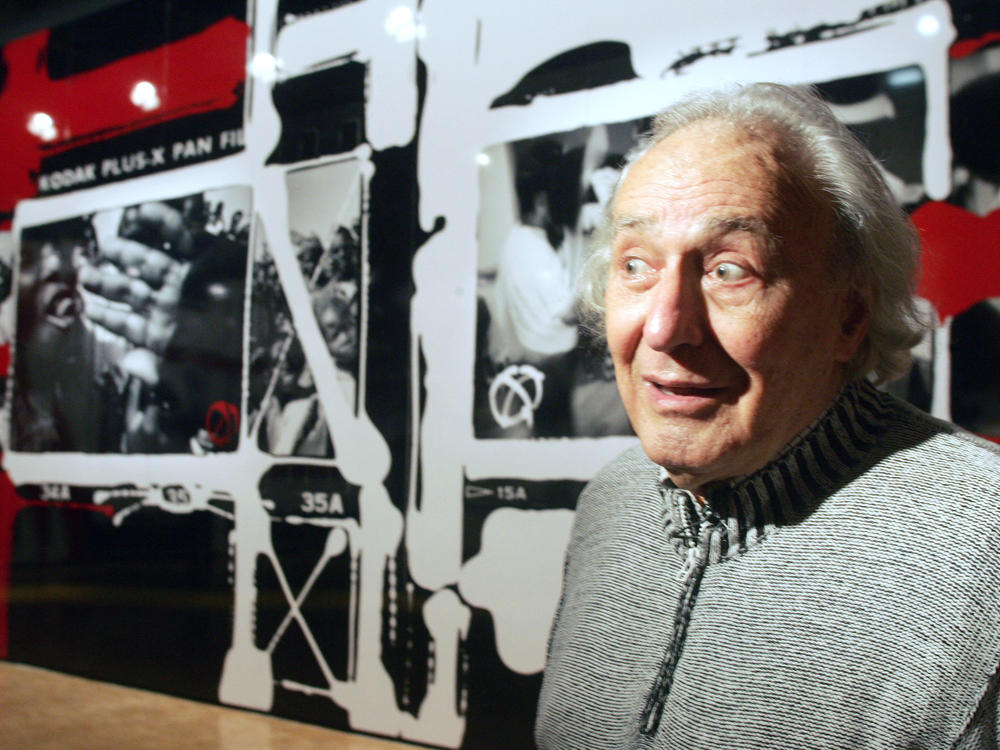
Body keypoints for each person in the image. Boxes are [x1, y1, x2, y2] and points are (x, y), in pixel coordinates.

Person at [535, 82, 1000, 749]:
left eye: (731, 270)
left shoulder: (985, 543)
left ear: (849, 316)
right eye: (636, 264)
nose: (665, 328)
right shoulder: (615, 500)